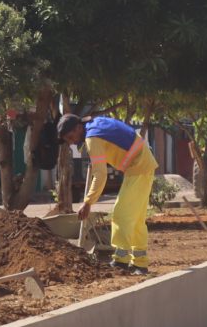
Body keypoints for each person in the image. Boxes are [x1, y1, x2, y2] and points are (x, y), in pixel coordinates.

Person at [58, 114, 159, 276]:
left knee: (121, 214)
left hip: (138, 167)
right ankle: (140, 263)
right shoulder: (94, 124)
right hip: (141, 164)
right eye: (68, 140)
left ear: (78, 128)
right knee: (136, 219)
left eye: (71, 137)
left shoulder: (92, 138)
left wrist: (88, 202)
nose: (72, 142)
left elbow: (100, 174)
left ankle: (121, 260)